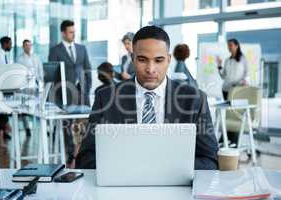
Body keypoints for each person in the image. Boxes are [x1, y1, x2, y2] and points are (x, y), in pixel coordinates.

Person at [76, 26, 219, 170]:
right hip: (123, 187)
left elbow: (210, 160)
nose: (151, 69)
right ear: (132, 59)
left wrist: (162, 168)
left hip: (175, 188)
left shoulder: (194, 100)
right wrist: (131, 168)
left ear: (168, 60)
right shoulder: (106, 98)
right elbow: (85, 159)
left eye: (159, 60)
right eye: (143, 60)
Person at [48, 20, 92, 168]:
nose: (73, 34)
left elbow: (88, 69)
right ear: (63, 33)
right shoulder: (55, 50)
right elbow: (52, 75)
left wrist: (87, 88)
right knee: (67, 127)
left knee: (85, 127)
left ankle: (83, 155)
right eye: (70, 32)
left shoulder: (81, 48)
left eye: (74, 31)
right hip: (65, 95)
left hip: (82, 94)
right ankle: (70, 157)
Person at [17, 39, 44, 137]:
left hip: (35, 85)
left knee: (37, 105)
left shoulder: (36, 57)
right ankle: (27, 127)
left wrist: (41, 82)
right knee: (24, 107)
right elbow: (18, 72)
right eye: (26, 45)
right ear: (23, 47)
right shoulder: (19, 59)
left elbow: (40, 70)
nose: (28, 47)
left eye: (29, 45)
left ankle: (39, 126)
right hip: (25, 86)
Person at [0, 36, 13, 147]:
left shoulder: (4, 55)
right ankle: (0, 138)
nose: (11, 45)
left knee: (3, 112)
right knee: (1, 113)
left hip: (4, 87)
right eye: (10, 43)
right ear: (4, 44)